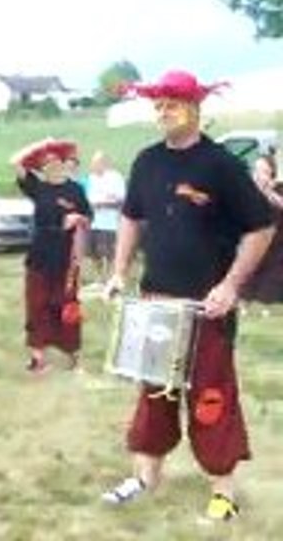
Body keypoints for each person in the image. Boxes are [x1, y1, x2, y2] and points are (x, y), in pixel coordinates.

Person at [100, 70, 274, 522]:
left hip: (206, 305)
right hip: (157, 300)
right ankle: (145, 477)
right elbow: (131, 219)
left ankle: (223, 493)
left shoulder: (220, 165)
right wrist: (119, 271)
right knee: (154, 394)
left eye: (173, 104)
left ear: (195, 108)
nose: (163, 111)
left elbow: (262, 226)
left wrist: (231, 285)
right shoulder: (146, 161)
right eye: (158, 104)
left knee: (211, 396)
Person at [11, 138, 92, 374]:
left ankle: (73, 354)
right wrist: (41, 144)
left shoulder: (75, 190)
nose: (51, 165)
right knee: (37, 305)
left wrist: (77, 219)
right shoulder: (37, 187)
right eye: (45, 162)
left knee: (67, 306)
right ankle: (38, 357)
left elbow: (88, 217)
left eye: (55, 160)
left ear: (64, 163)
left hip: (66, 256)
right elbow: (15, 162)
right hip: (40, 253)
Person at [241, 153, 283, 305]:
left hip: (277, 253)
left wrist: (269, 193)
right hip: (255, 250)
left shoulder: (278, 190)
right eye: (256, 171)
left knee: (267, 296)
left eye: (263, 172)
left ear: (272, 174)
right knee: (246, 294)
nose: (258, 176)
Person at [85, 151, 126, 283]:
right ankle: (99, 278)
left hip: (110, 222)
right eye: (93, 163)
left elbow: (122, 199)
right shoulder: (91, 178)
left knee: (108, 253)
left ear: (105, 163)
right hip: (92, 221)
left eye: (97, 163)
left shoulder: (116, 177)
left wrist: (104, 204)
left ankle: (109, 278)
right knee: (93, 252)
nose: (94, 165)